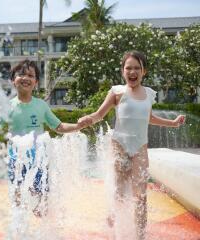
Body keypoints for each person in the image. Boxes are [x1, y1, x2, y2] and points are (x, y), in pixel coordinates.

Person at [77, 50, 185, 239]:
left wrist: (173, 123)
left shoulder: (150, 94)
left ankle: (140, 235)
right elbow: (99, 114)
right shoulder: (117, 92)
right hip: (119, 145)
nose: (132, 72)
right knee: (119, 191)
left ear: (144, 71)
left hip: (140, 147)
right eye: (128, 68)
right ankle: (116, 229)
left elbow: (149, 118)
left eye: (137, 68)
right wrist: (88, 119)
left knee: (140, 196)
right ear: (122, 71)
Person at [0, 59, 83, 217]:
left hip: (39, 161)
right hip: (17, 162)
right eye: (21, 74)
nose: (25, 78)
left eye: (30, 75)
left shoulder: (41, 105)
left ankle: (42, 229)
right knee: (18, 202)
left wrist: (78, 126)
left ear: (36, 82)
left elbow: (59, 127)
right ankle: (20, 230)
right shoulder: (8, 107)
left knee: (42, 203)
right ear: (13, 80)